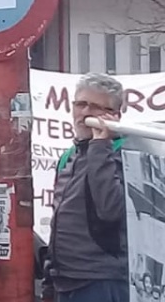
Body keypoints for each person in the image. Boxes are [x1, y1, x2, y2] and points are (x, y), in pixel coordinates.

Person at [44, 73, 130, 302]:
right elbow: (60, 218)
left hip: (101, 279)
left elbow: (111, 209)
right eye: (81, 104)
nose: (85, 112)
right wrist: (49, 275)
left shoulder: (125, 154)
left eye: (96, 107)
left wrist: (100, 145)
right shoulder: (69, 156)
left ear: (114, 115)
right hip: (65, 278)